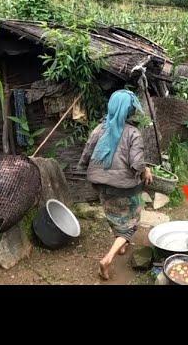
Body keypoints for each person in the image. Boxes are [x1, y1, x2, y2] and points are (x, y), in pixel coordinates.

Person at [77, 89, 153, 280]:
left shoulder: (99, 129)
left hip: (101, 186)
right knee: (132, 223)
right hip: (125, 188)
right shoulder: (133, 133)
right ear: (129, 111)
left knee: (114, 217)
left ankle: (122, 246)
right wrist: (146, 170)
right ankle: (108, 258)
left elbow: (86, 156)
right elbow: (137, 163)